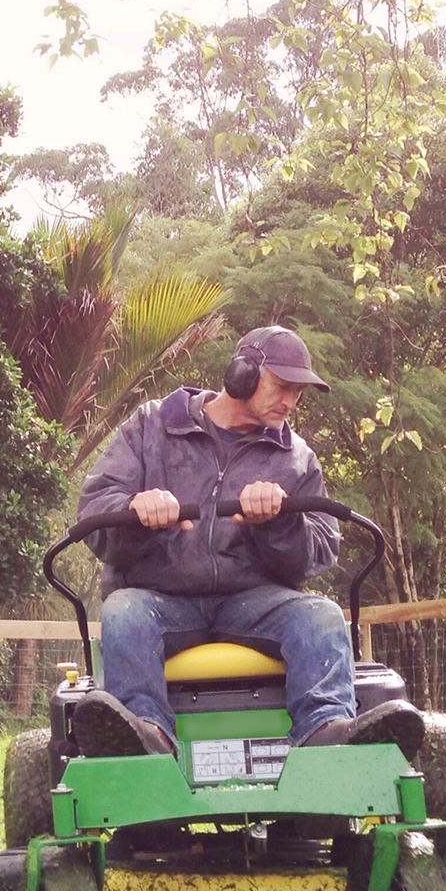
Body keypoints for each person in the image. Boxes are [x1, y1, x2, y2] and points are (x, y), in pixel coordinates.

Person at [69, 325, 423, 759]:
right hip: (159, 598)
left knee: (322, 615)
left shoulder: (296, 458)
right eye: (283, 387)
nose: (291, 402)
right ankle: (147, 737)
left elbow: (317, 550)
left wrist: (277, 524)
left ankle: (326, 732)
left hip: (252, 603)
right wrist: (137, 512)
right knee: (123, 611)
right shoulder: (151, 426)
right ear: (242, 374)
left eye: (299, 392)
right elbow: (94, 511)